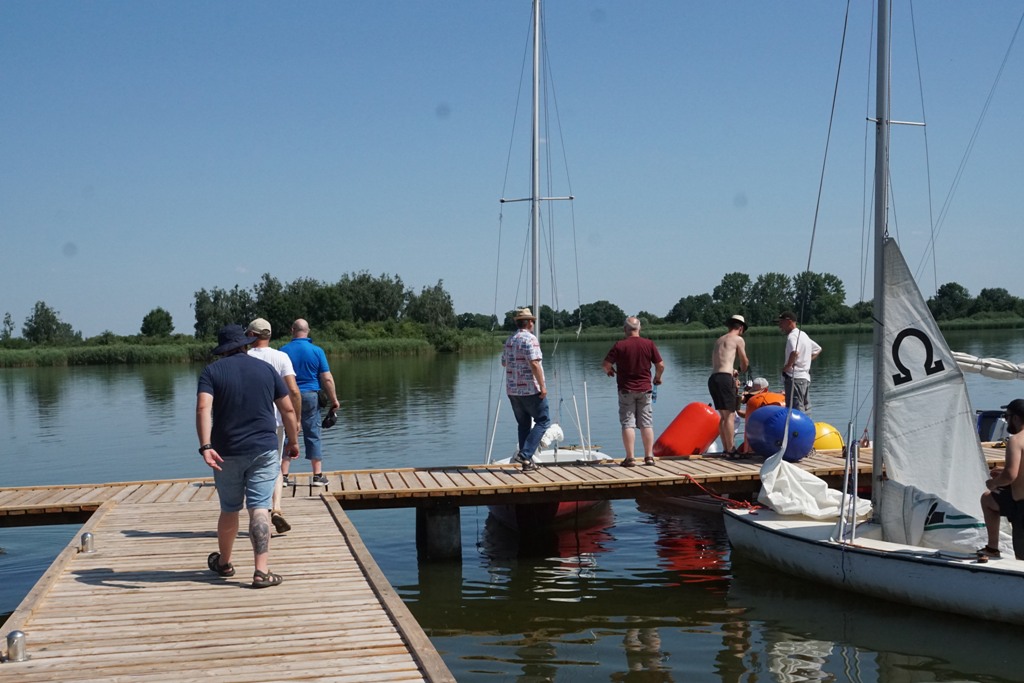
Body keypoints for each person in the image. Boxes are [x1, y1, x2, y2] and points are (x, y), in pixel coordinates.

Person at [196, 324, 299, 589]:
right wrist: (293, 441)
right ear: (244, 344)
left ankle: (224, 563)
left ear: (222, 349)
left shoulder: (211, 372)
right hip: (264, 449)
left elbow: (203, 408)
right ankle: (261, 572)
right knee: (260, 508)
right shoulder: (266, 369)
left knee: (229, 508)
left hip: (225, 451)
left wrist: (206, 446)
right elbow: (288, 410)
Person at [246, 318, 302, 534]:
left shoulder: (245, 356)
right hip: (276, 420)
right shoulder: (281, 357)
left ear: (251, 335)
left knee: (250, 467)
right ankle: (276, 508)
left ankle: (258, 513)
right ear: (269, 335)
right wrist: (296, 420)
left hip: (249, 420)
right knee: (275, 464)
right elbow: (294, 391)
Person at [280, 319, 339, 487]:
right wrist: (334, 400)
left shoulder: (283, 351)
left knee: (287, 433)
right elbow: (327, 378)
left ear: (292, 330)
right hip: (311, 396)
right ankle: (317, 476)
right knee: (313, 433)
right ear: (308, 331)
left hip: (289, 397)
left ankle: (283, 476)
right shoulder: (317, 351)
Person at [603, 316, 665, 467]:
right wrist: (657, 378)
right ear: (639, 328)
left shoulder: (620, 345)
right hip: (645, 389)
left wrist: (610, 370)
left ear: (625, 329)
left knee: (628, 423)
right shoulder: (649, 344)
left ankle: (630, 458)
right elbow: (661, 365)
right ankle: (649, 457)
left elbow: (605, 364)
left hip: (626, 390)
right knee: (646, 423)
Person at [501, 307, 550, 472]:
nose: (533, 324)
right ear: (529, 322)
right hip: (531, 389)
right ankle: (526, 454)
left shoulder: (509, 340)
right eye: (533, 321)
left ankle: (526, 462)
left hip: (512, 390)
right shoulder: (530, 339)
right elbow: (534, 363)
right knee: (543, 420)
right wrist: (543, 387)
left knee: (523, 424)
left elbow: (504, 363)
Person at [979, 399, 1024, 559]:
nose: (1006, 420)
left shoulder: (1016, 440)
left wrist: (994, 483)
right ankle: (992, 548)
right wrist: (1002, 471)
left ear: (1016, 418)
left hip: (1022, 505)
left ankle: (993, 548)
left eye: (1007, 416)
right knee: (988, 500)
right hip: (1015, 500)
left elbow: (1010, 475)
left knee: (1021, 560)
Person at [709, 314, 749, 457]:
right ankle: (731, 449)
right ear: (741, 328)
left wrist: (732, 370)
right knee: (730, 415)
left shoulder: (719, 340)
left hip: (713, 378)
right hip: (725, 379)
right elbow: (744, 363)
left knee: (723, 416)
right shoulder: (738, 339)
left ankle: (726, 449)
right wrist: (741, 368)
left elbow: (719, 361)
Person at [778, 311, 822, 413]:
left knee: (795, 410)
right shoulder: (803, 335)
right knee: (806, 409)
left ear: (789, 321)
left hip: (795, 378)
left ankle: (797, 425)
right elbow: (818, 349)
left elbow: (795, 352)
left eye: (781, 322)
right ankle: (808, 424)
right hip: (805, 378)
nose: (780, 326)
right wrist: (806, 360)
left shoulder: (792, 336)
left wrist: (787, 367)